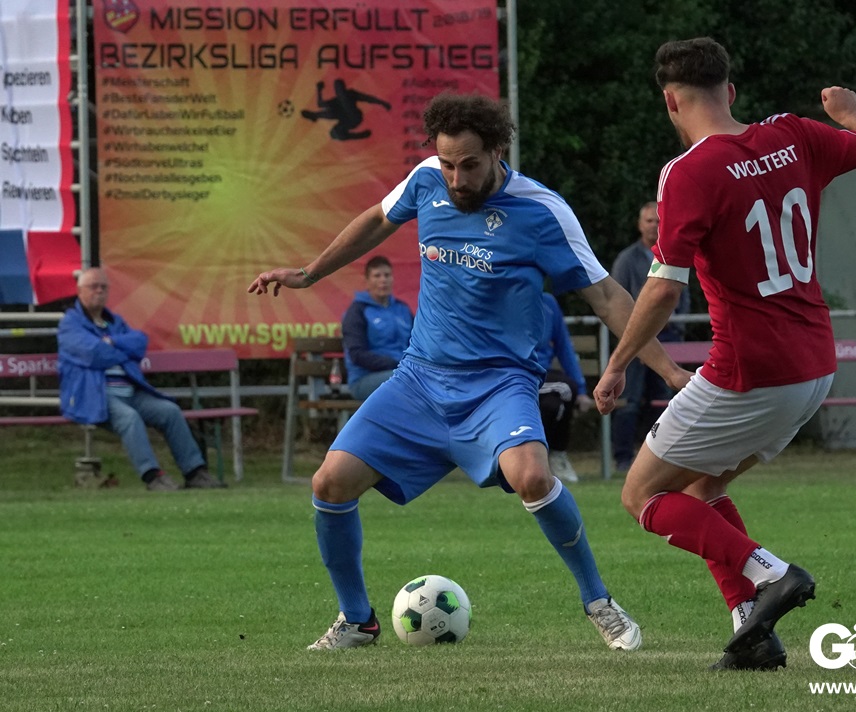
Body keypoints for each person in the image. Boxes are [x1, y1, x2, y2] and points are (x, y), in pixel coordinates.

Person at [249, 92, 686, 652]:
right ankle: (357, 621)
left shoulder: (542, 210)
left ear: (499, 150)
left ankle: (599, 602)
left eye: (469, 165)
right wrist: (309, 273)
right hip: (419, 380)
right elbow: (377, 219)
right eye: (448, 163)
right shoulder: (426, 180)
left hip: (500, 384)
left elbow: (605, 294)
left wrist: (667, 370)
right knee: (329, 483)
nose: (456, 178)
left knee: (533, 477)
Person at [593, 37, 856, 669]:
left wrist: (618, 363)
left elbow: (662, 287)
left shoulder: (688, 171)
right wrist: (850, 114)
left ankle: (771, 574)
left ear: (670, 101)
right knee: (701, 486)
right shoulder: (795, 134)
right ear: (729, 91)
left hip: (747, 371)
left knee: (642, 495)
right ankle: (751, 633)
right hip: (813, 366)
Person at [58, 268, 226, 491]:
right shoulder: (70, 324)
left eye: (103, 287)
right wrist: (121, 350)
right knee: (130, 418)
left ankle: (195, 473)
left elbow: (139, 342)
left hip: (131, 392)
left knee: (170, 411)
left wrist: (111, 343)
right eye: (93, 287)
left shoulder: (115, 322)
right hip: (96, 396)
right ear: (80, 291)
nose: (99, 291)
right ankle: (153, 477)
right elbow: (93, 353)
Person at [610, 202, 691, 472]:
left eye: (658, 221)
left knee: (666, 401)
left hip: (669, 338)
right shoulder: (627, 259)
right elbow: (617, 301)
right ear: (639, 225)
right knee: (629, 401)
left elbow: (682, 295)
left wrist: (677, 326)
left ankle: (661, 457)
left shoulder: (674, 254)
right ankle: (623, 458)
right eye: (649, 221)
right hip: (636, 341)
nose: (654, 226)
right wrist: (634, 336)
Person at [536, 292, 594, 483]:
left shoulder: (548, 303)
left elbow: (564, 347)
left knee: (553, 405)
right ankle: (541, 457)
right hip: (514, 374)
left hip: (543, 375)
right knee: (566, 388)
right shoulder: (505, 297)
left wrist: (582, 390)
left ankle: (551, 457)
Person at [341, 255, 414, 401]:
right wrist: (395, 364)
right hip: (365, 379)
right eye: (377, 276)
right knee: (407, 382)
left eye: (387, 275)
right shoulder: (357, 312)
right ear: (367, 281)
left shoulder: (403, 309)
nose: (383, 280)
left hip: (404, 373)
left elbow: (417, 344)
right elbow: (357, 354)